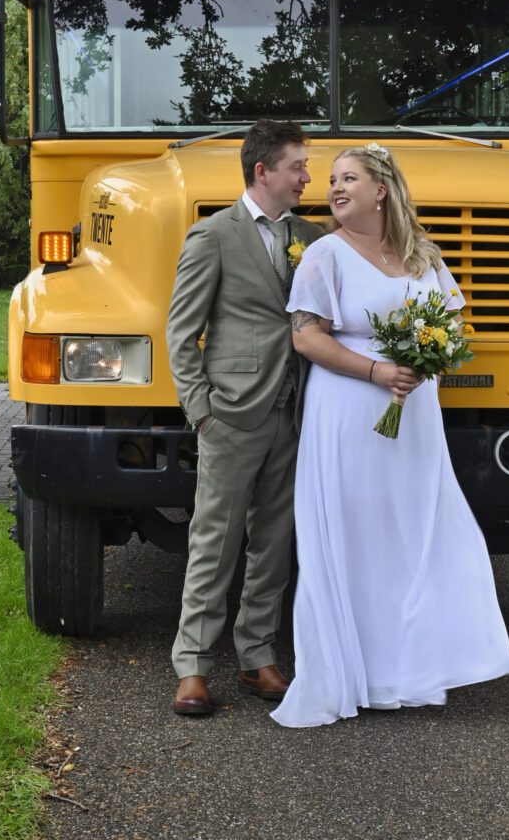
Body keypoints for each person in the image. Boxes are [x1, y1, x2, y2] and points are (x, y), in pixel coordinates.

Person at [271, 143, 509, 728]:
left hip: (416, 414)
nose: (334, 187)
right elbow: (307, 338)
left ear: (381, 191)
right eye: (331, 179)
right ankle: (353, 673)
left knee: (416, 532)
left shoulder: (421, 254)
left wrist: (430, 355)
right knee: (356, 537)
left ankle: (409, 670)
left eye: (348, 178)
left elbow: (453, 318)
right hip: (350, 410)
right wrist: (379, 369)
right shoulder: (324, 255)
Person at [166, 119, 323, 716]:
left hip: (294, 411)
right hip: (231, 414)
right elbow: (182, 332)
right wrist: (201, 411)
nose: (307, 178)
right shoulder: (212, 236)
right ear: (263, 172)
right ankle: (193, 667)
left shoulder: (313, 236)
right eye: (298, 167)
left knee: (275, 543)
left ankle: (257, 657)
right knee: (215, 540)